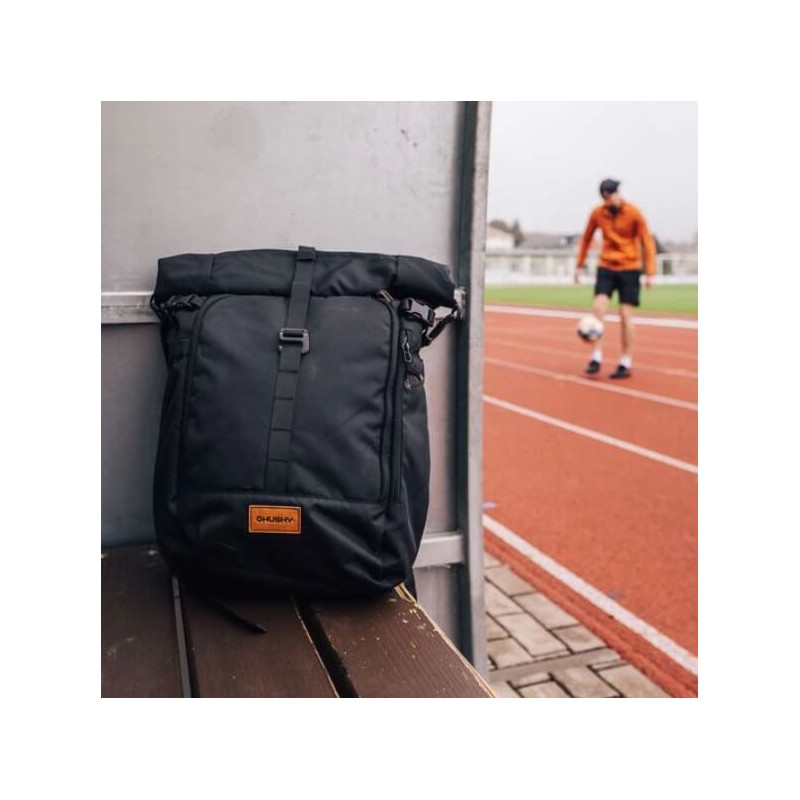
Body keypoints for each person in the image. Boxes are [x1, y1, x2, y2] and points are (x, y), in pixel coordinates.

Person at [574, 178, 656, 379]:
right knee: (598, 309)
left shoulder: (634, 213)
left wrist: (650, 272)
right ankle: (596, 356)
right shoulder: (597, 213)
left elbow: (647, 242)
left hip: (630, 268)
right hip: (607, 266)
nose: (609, 201)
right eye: (605, 198)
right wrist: (579, 265)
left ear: (618, 193)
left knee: (625, 315)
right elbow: (586, 238)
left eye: (612, 196)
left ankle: (625, 361)